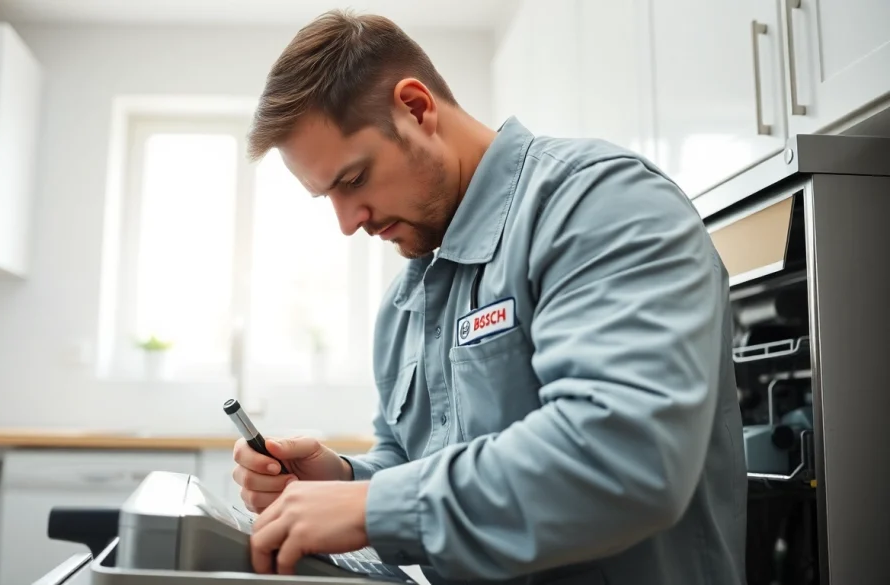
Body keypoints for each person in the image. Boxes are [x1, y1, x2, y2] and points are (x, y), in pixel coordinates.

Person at [230, 9, 747, 585]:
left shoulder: (599, 204)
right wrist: (342, 481)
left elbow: (624, 456)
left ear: (416, 108)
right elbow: (412, 464)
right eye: (325, 196)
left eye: (352, 181)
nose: (348, 223)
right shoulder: (406, 300)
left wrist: (371, 508)